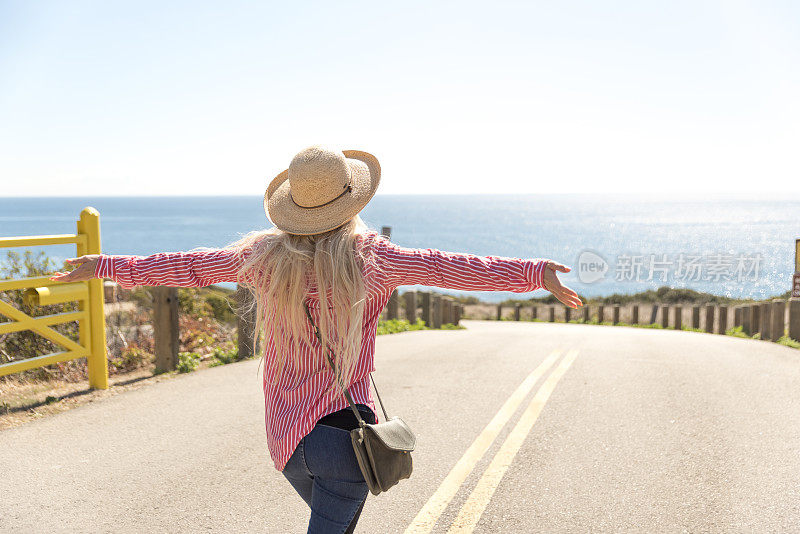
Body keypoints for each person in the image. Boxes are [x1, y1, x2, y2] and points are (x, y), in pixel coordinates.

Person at [50, 145, 583, 533]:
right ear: (351, 200)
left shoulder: (259, 257)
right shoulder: (374, 260)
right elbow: (453, 268)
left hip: (285, 443)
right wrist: (535, 273)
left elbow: (184, 266)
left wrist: (101, 264)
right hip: (344, 445)